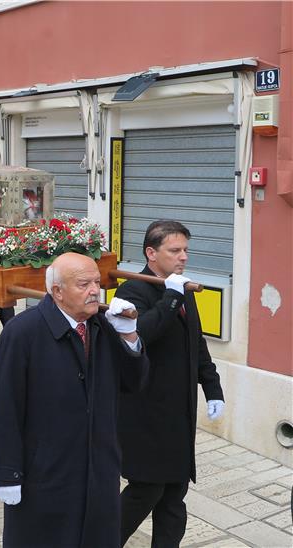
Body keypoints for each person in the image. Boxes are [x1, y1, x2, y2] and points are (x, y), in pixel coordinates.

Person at [0, 252, 149, 547]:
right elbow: (1, 407)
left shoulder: (104, 326)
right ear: (57, 291)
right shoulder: (22, 333)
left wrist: (130, 336)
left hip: (99, 471)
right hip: (45, 474)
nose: (95, 290)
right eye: (84, 284)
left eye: (97, 282)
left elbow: (134, 383)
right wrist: (6, 473)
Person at [117, 220, 225, 548]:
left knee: (175, 495)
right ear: (151, 253)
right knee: (146, 489)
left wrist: (213, 388)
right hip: (147, 412)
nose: (183, 257)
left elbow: (197, 343)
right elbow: (142, 334)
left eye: (186, 250)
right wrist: (172, 298)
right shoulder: (133, 290)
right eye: (174, 250)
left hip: (180, 412)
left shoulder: (181, 289)